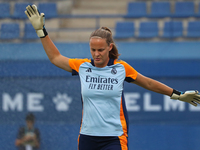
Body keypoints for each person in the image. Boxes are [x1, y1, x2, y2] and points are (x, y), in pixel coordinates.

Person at [25, 5, 200, 150]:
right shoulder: (83, 67)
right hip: (87, 137)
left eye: (100, 50)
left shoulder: (121, 68)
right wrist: (41, 30)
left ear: (110, 47)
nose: (96, 54)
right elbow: (55, 58)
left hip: (114, 138)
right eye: (93, 50)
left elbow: (148, 83)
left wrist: (178, 94)